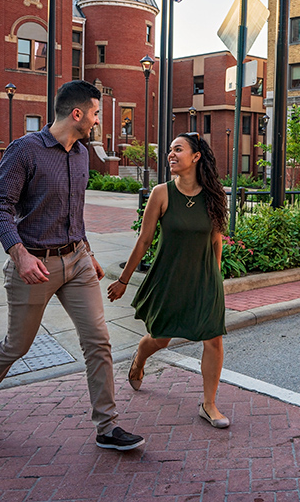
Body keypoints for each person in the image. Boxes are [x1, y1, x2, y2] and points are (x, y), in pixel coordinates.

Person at [0, 80, 144, 452]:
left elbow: (73, 212)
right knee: (17, 345)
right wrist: (19, 254)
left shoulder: (80, 153)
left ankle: (107, 426)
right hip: (34, 265)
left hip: (76, 262)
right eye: (94, 113)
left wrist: (88, 252)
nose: (97, 121)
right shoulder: (24, 151)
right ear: (76, 113)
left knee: (98, 341)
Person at [107, 133, 230, 428]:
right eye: (170, 150)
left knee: (213, 339)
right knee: (160, 338)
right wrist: (124, 280)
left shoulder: (214, 196)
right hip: (170, 277)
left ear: (196, 156)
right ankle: (139, 359)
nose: (171, 155)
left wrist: (214, 281)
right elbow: (144, 240)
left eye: (178, 149)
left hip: (204, 279)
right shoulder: (161, 194)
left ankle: (209, 404)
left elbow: (216, 242)